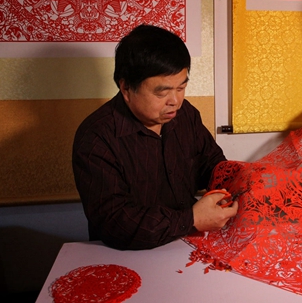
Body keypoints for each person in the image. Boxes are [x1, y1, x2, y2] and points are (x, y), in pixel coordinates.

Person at [72, 24, 238, 250]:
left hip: (187, 245)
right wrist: (191, 219)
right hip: (127, 253)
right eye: (162, 92)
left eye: (181, 88)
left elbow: (212, 165)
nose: (175, 101)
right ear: (126, 88)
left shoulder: (186, 115)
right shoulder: (97, 137)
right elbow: (115, 223)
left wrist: (242, 180)